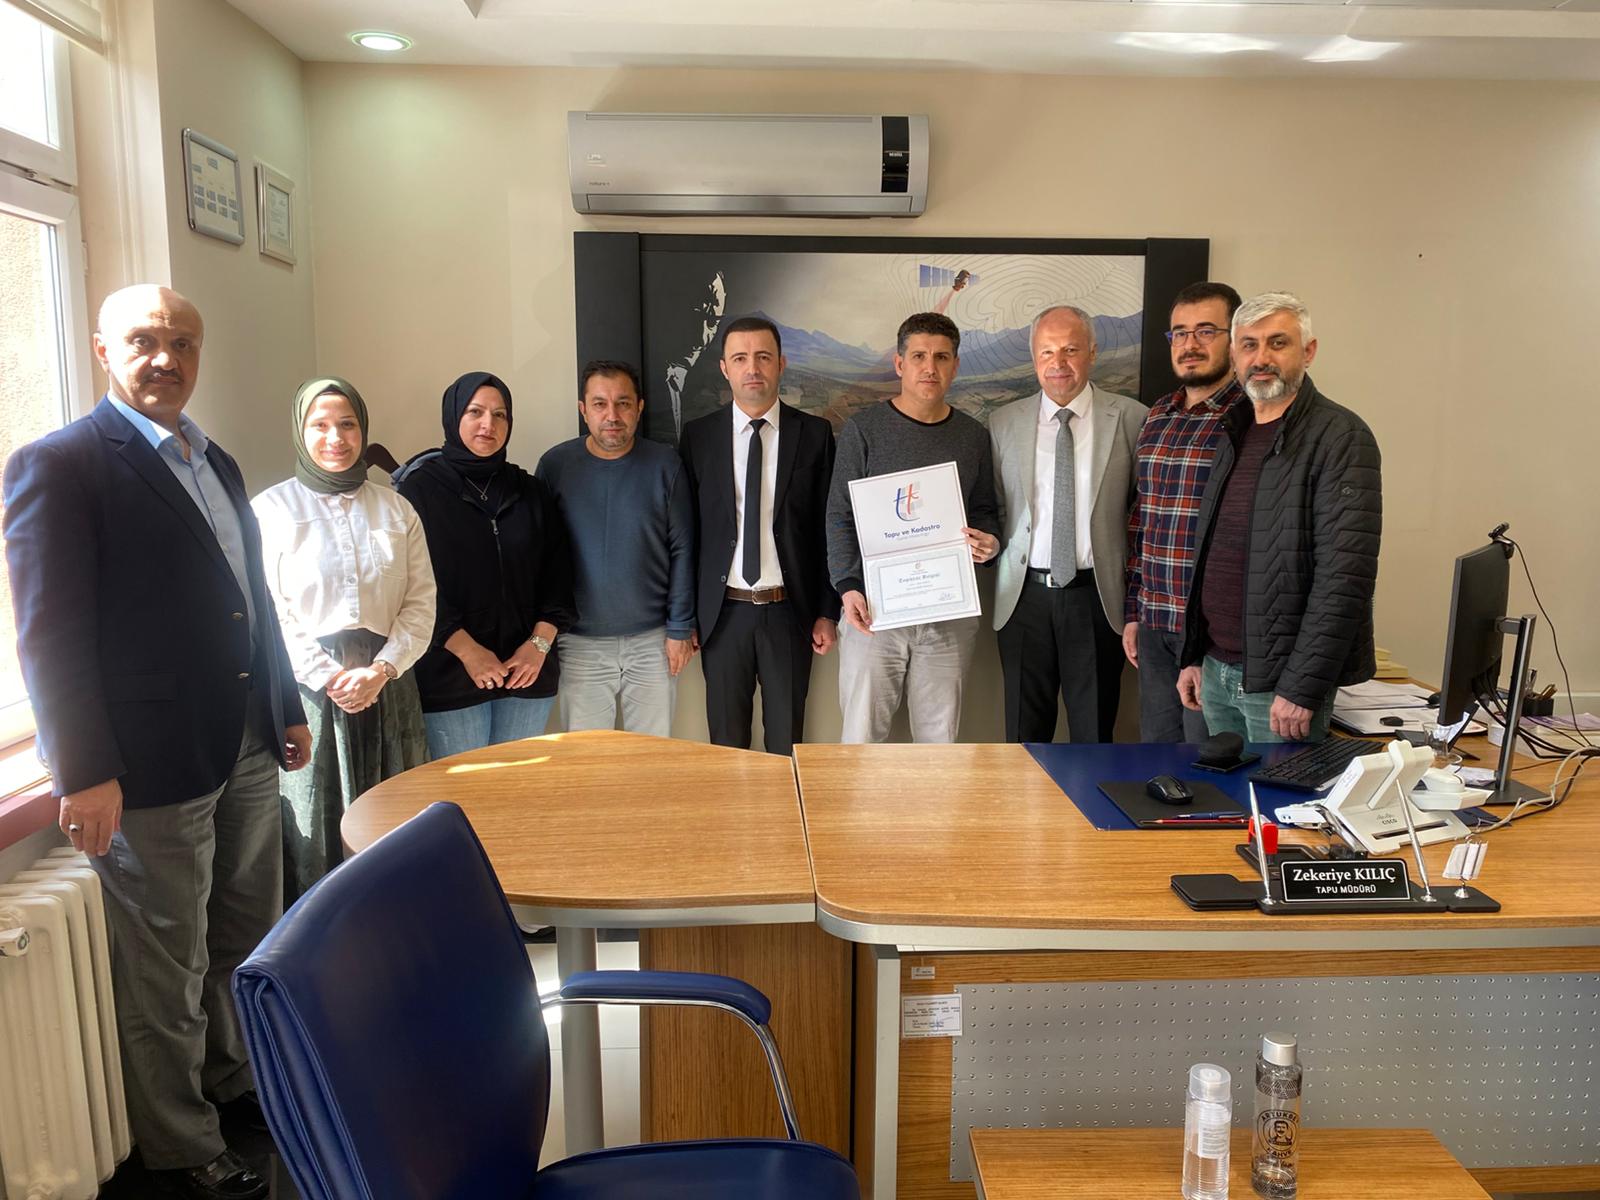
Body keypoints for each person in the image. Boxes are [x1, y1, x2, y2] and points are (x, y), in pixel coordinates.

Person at [3, 284, 310, 1200]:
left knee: (243, 937)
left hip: (245, 745)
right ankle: (182, 1144)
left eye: (183, 341)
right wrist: (85, 770)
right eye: (144, 340)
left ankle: (233, 1086)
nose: (166, 357)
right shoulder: (59, 465)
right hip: (146, 768)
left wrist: (285, 707)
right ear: (104, 349)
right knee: (165, 968)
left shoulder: (214, 459)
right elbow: (48, 634)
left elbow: (252, 602)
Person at [252, 377, 435, 901]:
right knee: (316, 818)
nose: (336, 437)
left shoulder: (396, 509)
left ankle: (396, 927)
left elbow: (421, 602)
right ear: (300, 431)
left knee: (396, 813)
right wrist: (330, 675)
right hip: (309, 691)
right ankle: (324, 935)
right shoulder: (270, 511)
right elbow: (270, 610)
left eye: (348, 424)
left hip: (388, 682)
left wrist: (380, 670)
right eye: (321, 425)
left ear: (364, 430)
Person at [1177, 292, 1382, 742]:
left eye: (1278, 343)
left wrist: (1302, 687)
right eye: (1249, 345)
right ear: (1234, 355)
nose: (1261, 358)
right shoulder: (1233, 429)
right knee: (1225, 789)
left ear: (1308, 351)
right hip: (1216, 670)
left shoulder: (1341, 437)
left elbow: (1345, 577)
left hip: (1281, 687)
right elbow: (1209, 551)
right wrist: (1194, 655)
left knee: (1280, 792)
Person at [825, 312, 1000, 744]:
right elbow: (840, 514)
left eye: (942, 357)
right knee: (861, 740)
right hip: (873, 612)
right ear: (900, 364)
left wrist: (990, 542)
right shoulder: (864, 430)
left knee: (939, 744)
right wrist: (848, 587)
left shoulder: (973, 436)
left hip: (948, 614)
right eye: (919, 356)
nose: (930, 367)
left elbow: (984, 509)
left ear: (955, 366)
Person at [394, 372, 576, 758]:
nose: (488, 424)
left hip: (527, 671)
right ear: (453, 416)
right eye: (475, 412)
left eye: (499, 414)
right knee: (462, 789)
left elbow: (559, 575)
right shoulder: (419, 490)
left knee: (516, 787)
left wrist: (538, 646)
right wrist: (468, 652)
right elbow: (411, 585)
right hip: (450, 674)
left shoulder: (530, 490)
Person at [680, 316, 839, 755]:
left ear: (781, 364)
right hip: (721, 615)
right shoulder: (698, 437)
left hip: (790, 612)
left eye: (763, 357)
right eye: (740, 358)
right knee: (725, 744)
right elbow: (688, 532)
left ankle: (784, 805)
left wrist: (827, 611)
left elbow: (830, 527)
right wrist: (685, 617)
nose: (752, 368)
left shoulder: (815, 434)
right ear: (724, 368)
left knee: (787, 742)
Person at [988, 305, 1144, 743]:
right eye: (1047, 351)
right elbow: (993, 508)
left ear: (1092, 353)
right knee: (1024, 738)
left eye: (1071, 350)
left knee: (1093, 735)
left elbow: (1143, 517)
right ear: (1034, 358)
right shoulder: (1002, 423)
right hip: (1023, 600)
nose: (1058, 363)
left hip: (1097, 600)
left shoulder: (1132, 419)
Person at [536, 360, 696, 735]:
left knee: (652, 753)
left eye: (623, 403)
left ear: (639, 408)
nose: (612, 415)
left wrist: (679, 628)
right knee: (589, 757)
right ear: (583, 410)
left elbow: (683, 549)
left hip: (653, 640)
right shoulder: (556, 466)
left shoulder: (665, 464)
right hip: (580, 642)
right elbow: (539, 556)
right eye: (600, 404)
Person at [1123, 282, 1246, 742]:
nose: (1190, 344)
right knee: (1157, 755)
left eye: (1206, 331)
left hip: (1214, 633)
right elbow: (1142, 521)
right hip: (1156, 623)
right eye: (1179, 333)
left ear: (1234, 338)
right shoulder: (1159, 415)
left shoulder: (1250, 417)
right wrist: (1134, 611)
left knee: (1206, 757)